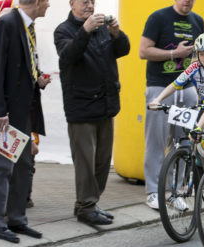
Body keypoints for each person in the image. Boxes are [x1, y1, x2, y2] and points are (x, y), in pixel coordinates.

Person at [54, 0, 130, 226]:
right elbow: (68, 57)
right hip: (81, 107)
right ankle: (86, 207)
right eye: (84, 2)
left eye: (92, 2)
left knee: (102, 162)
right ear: (72, 4)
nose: (90, 6)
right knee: (85, 162)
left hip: (106, 105)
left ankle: (88, 203)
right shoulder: (63, 30)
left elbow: (123, 50)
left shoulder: (102, 28)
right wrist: (85, 30)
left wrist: (117, 33)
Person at [0, 0, 50, 243]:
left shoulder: (26, 26)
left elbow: (23, 63)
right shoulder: (7, 23)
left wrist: (37, 79)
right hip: (7, 113)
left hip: (24, 110)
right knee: (1, 167)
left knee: (24, 165)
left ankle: (16, 218)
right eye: (46, 1)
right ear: (37, 2)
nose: (49, 5)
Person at [139, 0, 203, 210]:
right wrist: (174, 54)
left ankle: (175, 191)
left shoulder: (198, 21)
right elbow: (143, 51)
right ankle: (153, 191)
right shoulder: (158, 17)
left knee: (184, 142)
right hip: (160, 87)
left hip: (187, 89)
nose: (188, 1)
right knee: (156, 141)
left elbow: (199, 57)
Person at [149, 33, 204, 130]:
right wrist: (158, 99)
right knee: (193, 135)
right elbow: (174, 85)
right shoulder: (194, 67)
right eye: (201, 54)